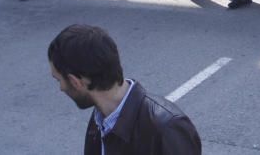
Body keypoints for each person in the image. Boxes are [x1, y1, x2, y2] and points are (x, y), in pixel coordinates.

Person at [48, 24, 201, 154]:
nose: (61, 88)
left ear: (76, 82)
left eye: (58, 80)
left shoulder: (167, 129)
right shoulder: (100, 118)